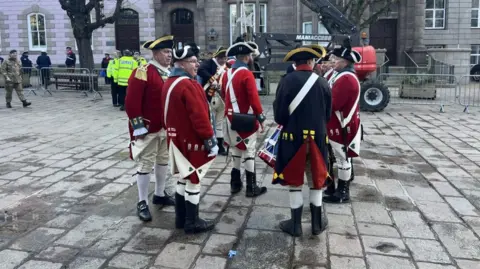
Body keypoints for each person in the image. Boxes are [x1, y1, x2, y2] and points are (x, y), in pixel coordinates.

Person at [272, 46, 331, 237]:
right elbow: (328, 115)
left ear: (295, 63)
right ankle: (316, 224)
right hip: (318, 139)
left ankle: (295, 225)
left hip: (293, 139)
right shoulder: (323, 83)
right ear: (312, 62)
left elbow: (280, 116)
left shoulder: (286, 81)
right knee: (316, 179)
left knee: (294, 180)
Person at [162, 42, 218, 234]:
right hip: (191, 141)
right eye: (193, 61)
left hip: (175, 140)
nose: (197, 65)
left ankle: (180, 218)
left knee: (183, 178)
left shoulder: (169, 82)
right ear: (182, 64)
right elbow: (200, 117)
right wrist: (210, 140)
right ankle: (192, 221)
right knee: (194, 178)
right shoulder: (188, 85)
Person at [125, 35, 176, 221]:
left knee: (163, 160)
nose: (169, 55)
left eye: (170, 51)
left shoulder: (170, 72)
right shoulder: (143, 71)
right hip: (148, 127)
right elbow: (131, 103)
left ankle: (160, 194)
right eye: (165, 51)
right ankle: (142, 201)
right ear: (155, 53)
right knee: (146, 164)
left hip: (166, 127)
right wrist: (138, 128)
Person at [221, 41, 267, 197]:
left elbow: (223, 93)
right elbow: (254, 99)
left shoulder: (226, 73)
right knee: (249, 150)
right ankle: (251, 187)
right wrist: (260, 118)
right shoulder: (246, 73)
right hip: (244, 118)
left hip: (229, 118)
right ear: (247, 57)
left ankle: (235, 184)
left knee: (235, 148)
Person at [323, 39, 362, 204]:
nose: (333, 62)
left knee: (342, 159)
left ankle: (343, 192)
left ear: (344, 62)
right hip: (337, 123)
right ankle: (334, 188)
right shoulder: (341, 75)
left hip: (342, 124)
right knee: (336, 157)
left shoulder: (346, 79)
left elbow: (333, 103)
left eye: (335, 60)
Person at [197, 46, 229, 156]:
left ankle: (220, 146)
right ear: (217, 56)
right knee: (210, 122)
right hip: (211, 96)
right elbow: (200, 70)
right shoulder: (209, 63)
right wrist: (212, 80)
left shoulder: (226, 66)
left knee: (220, 122)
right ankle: (210, 144)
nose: (224, 60)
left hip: (221, 97)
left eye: (225, 58)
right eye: (222, 58)